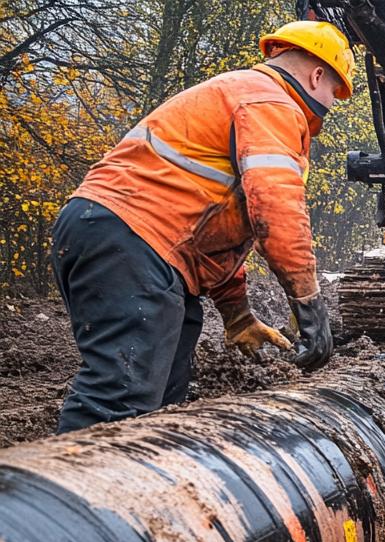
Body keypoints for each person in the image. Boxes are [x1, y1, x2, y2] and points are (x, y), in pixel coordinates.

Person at [52, 20, 352, 433]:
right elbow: (278, 212)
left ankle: (143, 488)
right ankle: (72, 492)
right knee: (118, 400)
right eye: (335, 91)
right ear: (317, 74)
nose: (331, 105)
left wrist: (237, 315)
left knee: (163, 394)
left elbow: (221, 231)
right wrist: (310, 305)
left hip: (126, 238)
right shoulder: (271, 103)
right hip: (133, 239)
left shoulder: (241, 93)